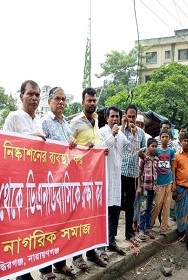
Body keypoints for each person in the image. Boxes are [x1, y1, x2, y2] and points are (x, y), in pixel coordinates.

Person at [3, 80, 46, 280]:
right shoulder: (13, 118)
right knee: (19, 233)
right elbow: (4, 147)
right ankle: (22, 274)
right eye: (30, 94)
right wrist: (29, 139)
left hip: (35, 186)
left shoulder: (39, 121)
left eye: (37, 94)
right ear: (21, 96)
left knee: (32, 233)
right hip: (18, 186)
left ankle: (27, 269)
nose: (34, 98)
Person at [39, 86, 77, 279]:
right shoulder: (43, 122)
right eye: (57, 98)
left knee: (61, 225)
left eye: (64, 99)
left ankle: (60, 264)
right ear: (49, 101)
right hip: (48, 182)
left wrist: (72, 142)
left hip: (64, 183)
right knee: (47, 227)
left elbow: (67, 148)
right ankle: (45, 270)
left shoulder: (66, 124)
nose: (61, 102)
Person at [70, 87, 107, 270]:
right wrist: (84, 148)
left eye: (94, 101)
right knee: (78, 218)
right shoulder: (75, 122)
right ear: (82, 102)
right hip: (79, 178)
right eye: (89, 100)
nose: (92, 103)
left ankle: (92, 252)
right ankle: (77, 256)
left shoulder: (97, 120)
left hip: (95, 178)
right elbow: (67, 147)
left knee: (92, 217)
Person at [98, 106, 132, 257]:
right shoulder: (101, 132)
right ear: (107, 118)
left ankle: (111, 241)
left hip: (116, 177)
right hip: (104, 177)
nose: (115, 119)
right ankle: (101, 246)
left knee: (114, 211)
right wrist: (112, 134)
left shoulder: (121, 134)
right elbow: (101, 148)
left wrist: (132, 133)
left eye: (117, 116)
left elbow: (129, 148)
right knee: (103, 212)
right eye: (112, 116)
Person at [120, 104, 147, 246]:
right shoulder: (120, 130)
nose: (131, 119)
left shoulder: (141, 133)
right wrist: (123, 125)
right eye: (129, 116)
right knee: (117, 203)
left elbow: (144, 152)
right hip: (120, 171)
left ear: (136, 117)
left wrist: (142, 154)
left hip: (133, 172)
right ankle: (111, 236)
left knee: (130, 203)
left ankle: (129, 234)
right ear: (125, 116)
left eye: (133, 117)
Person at [150, 129, 175, 236]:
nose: (165, 139)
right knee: (157, 204)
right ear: (160, 138)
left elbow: (173, 166)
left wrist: (174, 182)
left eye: (167, 137)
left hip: (169, 181)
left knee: (167, 206)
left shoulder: (171, 151)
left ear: (169, 138)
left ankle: (164, 227)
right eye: (163, 137)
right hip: (159, 182)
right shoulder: (157, 151)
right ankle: (150, 224)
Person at [136, 138, 159, 240]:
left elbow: (156, 173)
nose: (154, 148)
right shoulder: (144, 159)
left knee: (150, 208)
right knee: (143, 209)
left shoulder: (156, 159)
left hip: (153, 188)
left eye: (155, 146)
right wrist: (139, 186)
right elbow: (140, 172)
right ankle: (141, 229)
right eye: (152, 146)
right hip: (145, 188)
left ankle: (148, 228)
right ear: (148, 147)